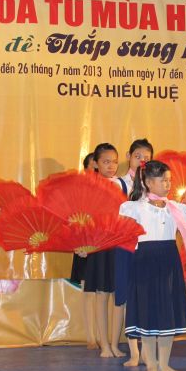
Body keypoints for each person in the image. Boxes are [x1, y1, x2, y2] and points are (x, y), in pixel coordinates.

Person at [120, 160, 186, 371]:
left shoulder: (177, 209)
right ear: (148, 182)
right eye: (163, 181)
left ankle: (164, 365)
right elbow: (120, 236)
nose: (168, 184)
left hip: (169, 263)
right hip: (144, 264)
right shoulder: (134, 208)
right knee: (148, 316)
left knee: (167, 315)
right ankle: (151, 365)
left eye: (169, 180)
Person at [81, 143, 127, 358]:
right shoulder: (89, 186)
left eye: (114, 162)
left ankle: (115, 344)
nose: (111, 166)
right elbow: (83, 218)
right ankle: (104, 345)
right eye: (106, 162)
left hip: (120, 244)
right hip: (99, 244)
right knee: (102, 294)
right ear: (96, 164)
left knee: (119, 295)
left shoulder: (123, 184)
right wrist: (82, 242)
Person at [117, 138, 154, 367]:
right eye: (138, 156)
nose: (142, 161)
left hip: (148, 249)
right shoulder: (118, 184)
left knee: (148, 299)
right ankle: (133, 352)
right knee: (129, 298)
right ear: (129, 157)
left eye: (146, 158)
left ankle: (148, 351)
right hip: (127, 248)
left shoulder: (155, 186)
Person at [70, 152, 98, 349]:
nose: (95, 172)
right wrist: (78, 242)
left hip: (104, 245)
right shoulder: (77, 192)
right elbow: (71, 220)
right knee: (88, 292)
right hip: (84, 245)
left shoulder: (113, 188)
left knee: (106, 294)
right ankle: (91, 337)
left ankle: (106, 336)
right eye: (92, 168)